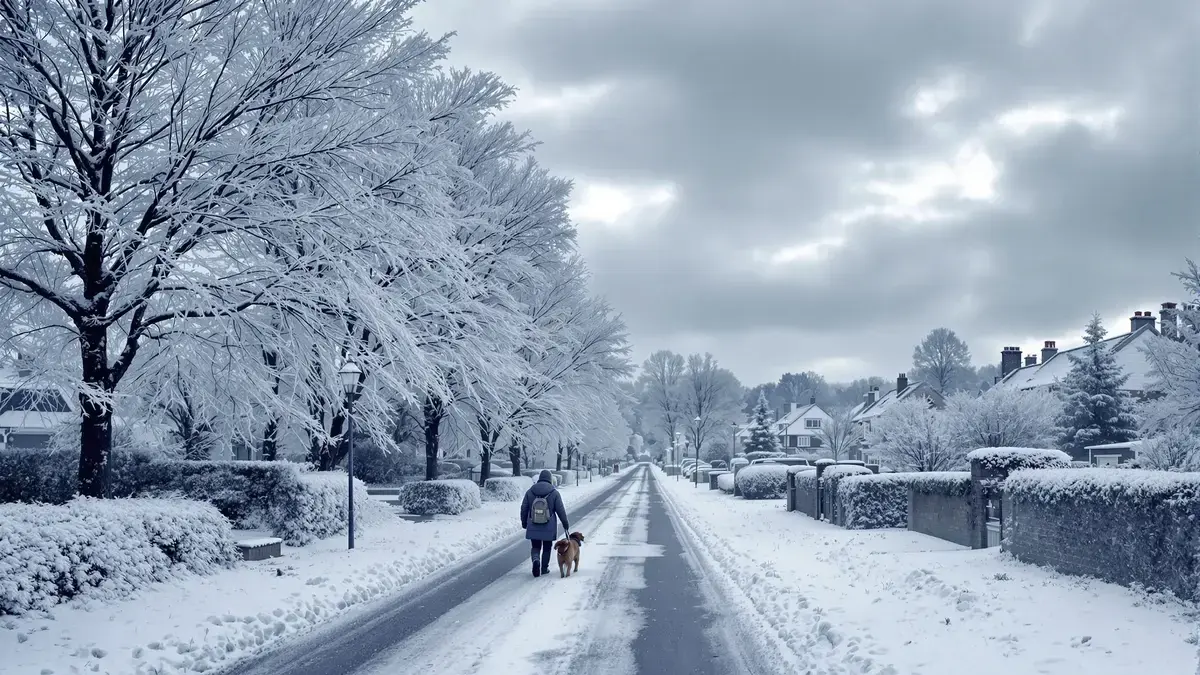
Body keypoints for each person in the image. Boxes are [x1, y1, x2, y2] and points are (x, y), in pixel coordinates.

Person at [520, 469, 569, 578]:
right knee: (547, 547)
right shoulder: (554, 493)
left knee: (535, 546)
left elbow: (524, 508)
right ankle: (544, 568)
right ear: (550, 479)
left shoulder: (530, 492)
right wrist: (565, 523)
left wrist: (524, 522)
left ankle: (536, 559)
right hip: (549, 525)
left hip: (533, 523)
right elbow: (560, 510)